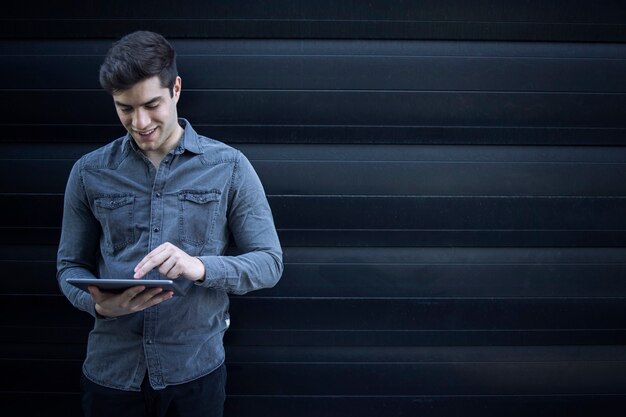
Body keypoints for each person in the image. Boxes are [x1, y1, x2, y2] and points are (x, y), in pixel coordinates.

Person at [56, 30, 283, 417]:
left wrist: (201, 267)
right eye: (125, 108)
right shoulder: (87, 173)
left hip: (194, 375)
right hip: (111, 374)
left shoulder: (229, 167)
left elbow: (269, 263)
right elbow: (68, 267)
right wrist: (98, 307)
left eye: (151, 104)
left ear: (176, 88)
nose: (139, 121)